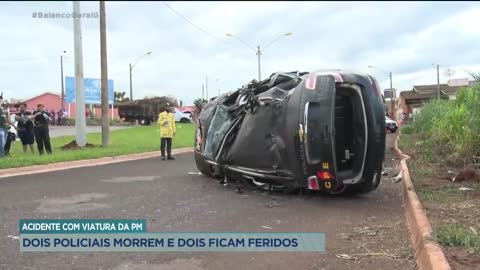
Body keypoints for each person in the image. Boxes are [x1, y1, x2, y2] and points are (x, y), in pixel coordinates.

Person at [0, 92, 16, 157]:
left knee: (4, 143)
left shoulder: (5, 110)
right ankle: (1, 155)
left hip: (5, 128)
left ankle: (2, 155)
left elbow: (8, 120)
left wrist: (14, 126)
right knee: (2, 141)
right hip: (0, 128)